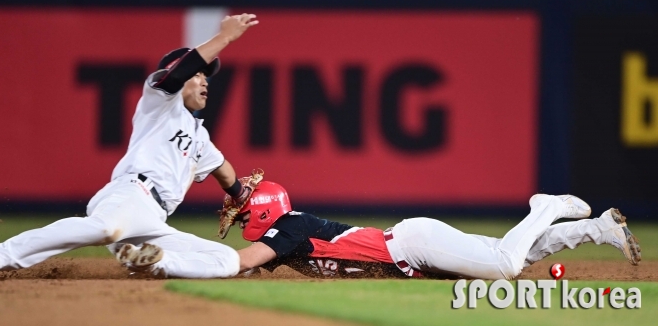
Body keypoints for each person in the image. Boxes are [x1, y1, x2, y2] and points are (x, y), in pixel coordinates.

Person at [0, 13, 260, 279]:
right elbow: (176, 75)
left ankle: (150, 261)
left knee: (228, 260)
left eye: (205, 76)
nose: (204, 80)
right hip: (131, 195)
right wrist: (224, 38)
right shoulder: (158, 102)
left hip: (153, 221)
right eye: (197, 74)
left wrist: (241, 196)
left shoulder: (200, 135)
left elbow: (223, 170)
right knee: (106, 229)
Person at [222, 173, 641, 279]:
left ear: (261, 210)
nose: (240, 219)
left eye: (242, 212)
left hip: (414, 246)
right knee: (519, 250)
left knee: (506, 265)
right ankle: (600, 229)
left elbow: (241, 262)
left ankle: (545, 206)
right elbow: (252, 270)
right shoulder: (287, 236)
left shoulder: (287, 230)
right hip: (413, 251)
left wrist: (169, 261)